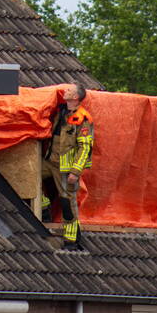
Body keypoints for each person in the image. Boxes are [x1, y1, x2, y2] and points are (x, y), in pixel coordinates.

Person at [41, 84, 94, 251]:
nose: (65, 91)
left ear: (76, 97)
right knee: (28, 176)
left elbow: (85, 148)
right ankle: (44, 207)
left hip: (65, 167)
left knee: (67, 203)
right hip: (49, 160)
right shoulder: (61, 111)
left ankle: (71, 240)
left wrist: (75, 171)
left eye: (69, 90)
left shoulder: (83, 118)